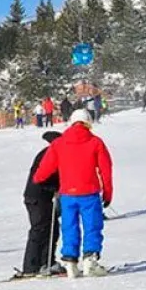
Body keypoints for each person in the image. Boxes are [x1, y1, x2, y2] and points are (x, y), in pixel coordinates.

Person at [32, 109, 113, 278]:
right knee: (92, 226)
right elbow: (106, 169)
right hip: (89, 193)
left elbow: (45, 169)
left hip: (67, 194)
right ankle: (90, 260)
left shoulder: (59, 144)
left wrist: (39, 179)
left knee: (70, 226)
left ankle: (70, 262)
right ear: (88, 122)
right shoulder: (96, 142)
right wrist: (107, 193)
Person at [21, 131, 65, 276]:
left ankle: (47, 261)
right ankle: (31, 267)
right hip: (37, 196)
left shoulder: (51, 152)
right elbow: (41, 177)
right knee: (39, 229)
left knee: (52, 227)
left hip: (41, 196)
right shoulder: (49, 154)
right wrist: (56, 188)